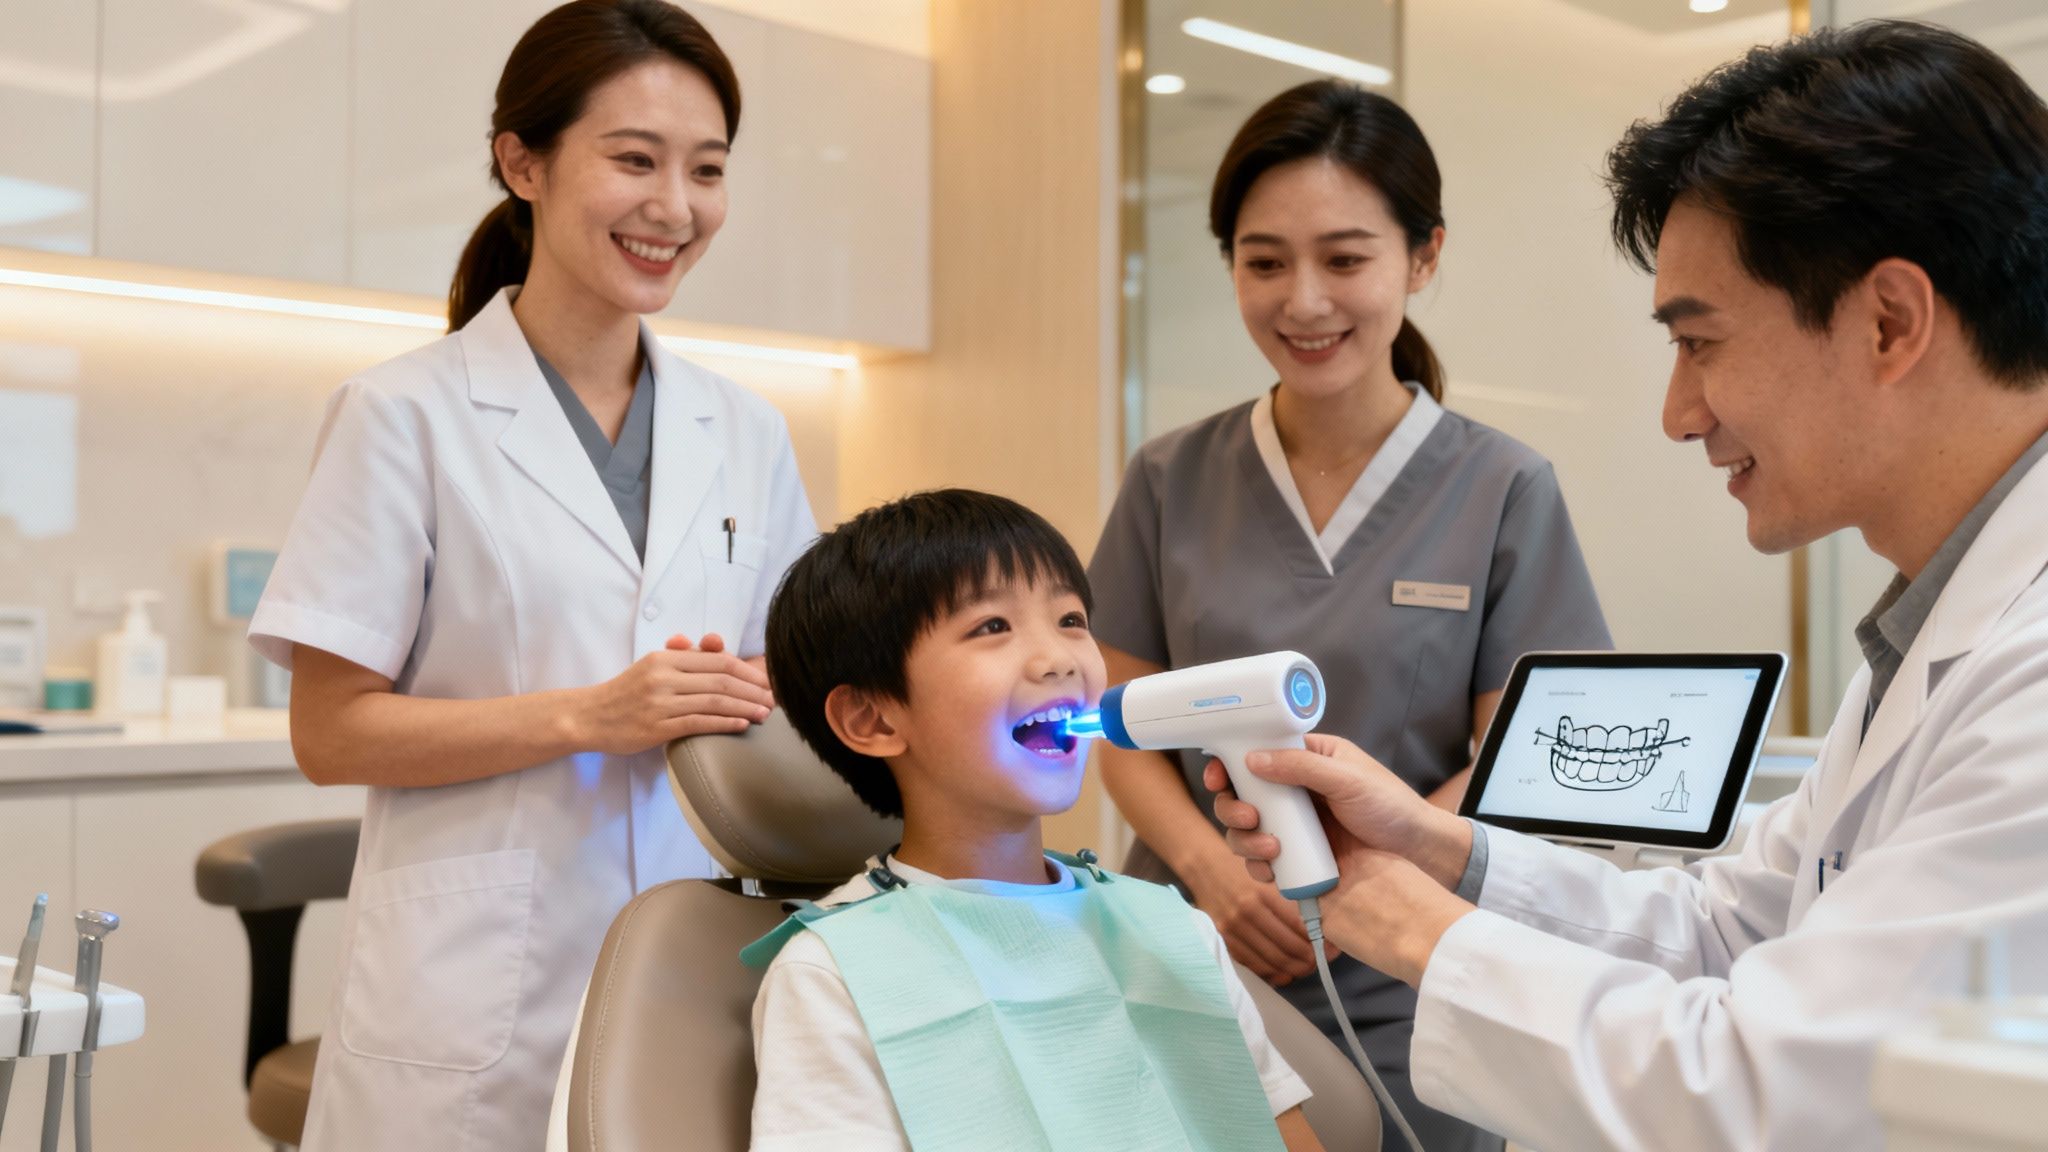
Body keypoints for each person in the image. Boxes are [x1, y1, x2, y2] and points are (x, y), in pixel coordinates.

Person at [1209, 20, 2048, 1151]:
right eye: (1263, 259)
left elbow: (1768, 1092)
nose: (1676, 413)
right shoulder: (1934, 628)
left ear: (1888, 322)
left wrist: (1421, 933)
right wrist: (1435, 849)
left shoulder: (2025, 674)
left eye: (1698, 342)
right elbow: (1727, 925)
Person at [247, 3, 816, 1147]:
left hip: (692, 970)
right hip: (468, 999)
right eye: (633, 159)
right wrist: (588, 714)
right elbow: (333, 732)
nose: (675, 206)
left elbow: (792, 684)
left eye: (705, 170)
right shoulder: (402, 415)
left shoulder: (745, 432)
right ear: (524, 162)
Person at [1086, 79, 1609, 1151]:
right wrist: (1206, 870)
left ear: (1421, 258)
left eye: (1344, 257)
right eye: (1263, 260)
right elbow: (1112, 718)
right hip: (1196, 952)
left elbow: (1527, 749)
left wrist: (1365, 865)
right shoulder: (1168, 478)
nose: (1304, 301)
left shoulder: (1501, 488)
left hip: (1409, 968)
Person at [745, 489, 1323, 1151]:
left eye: (1071, 619)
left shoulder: (1176, 930)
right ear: (873, 719)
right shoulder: (830, 975)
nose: (1060, 658)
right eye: (992, 626)